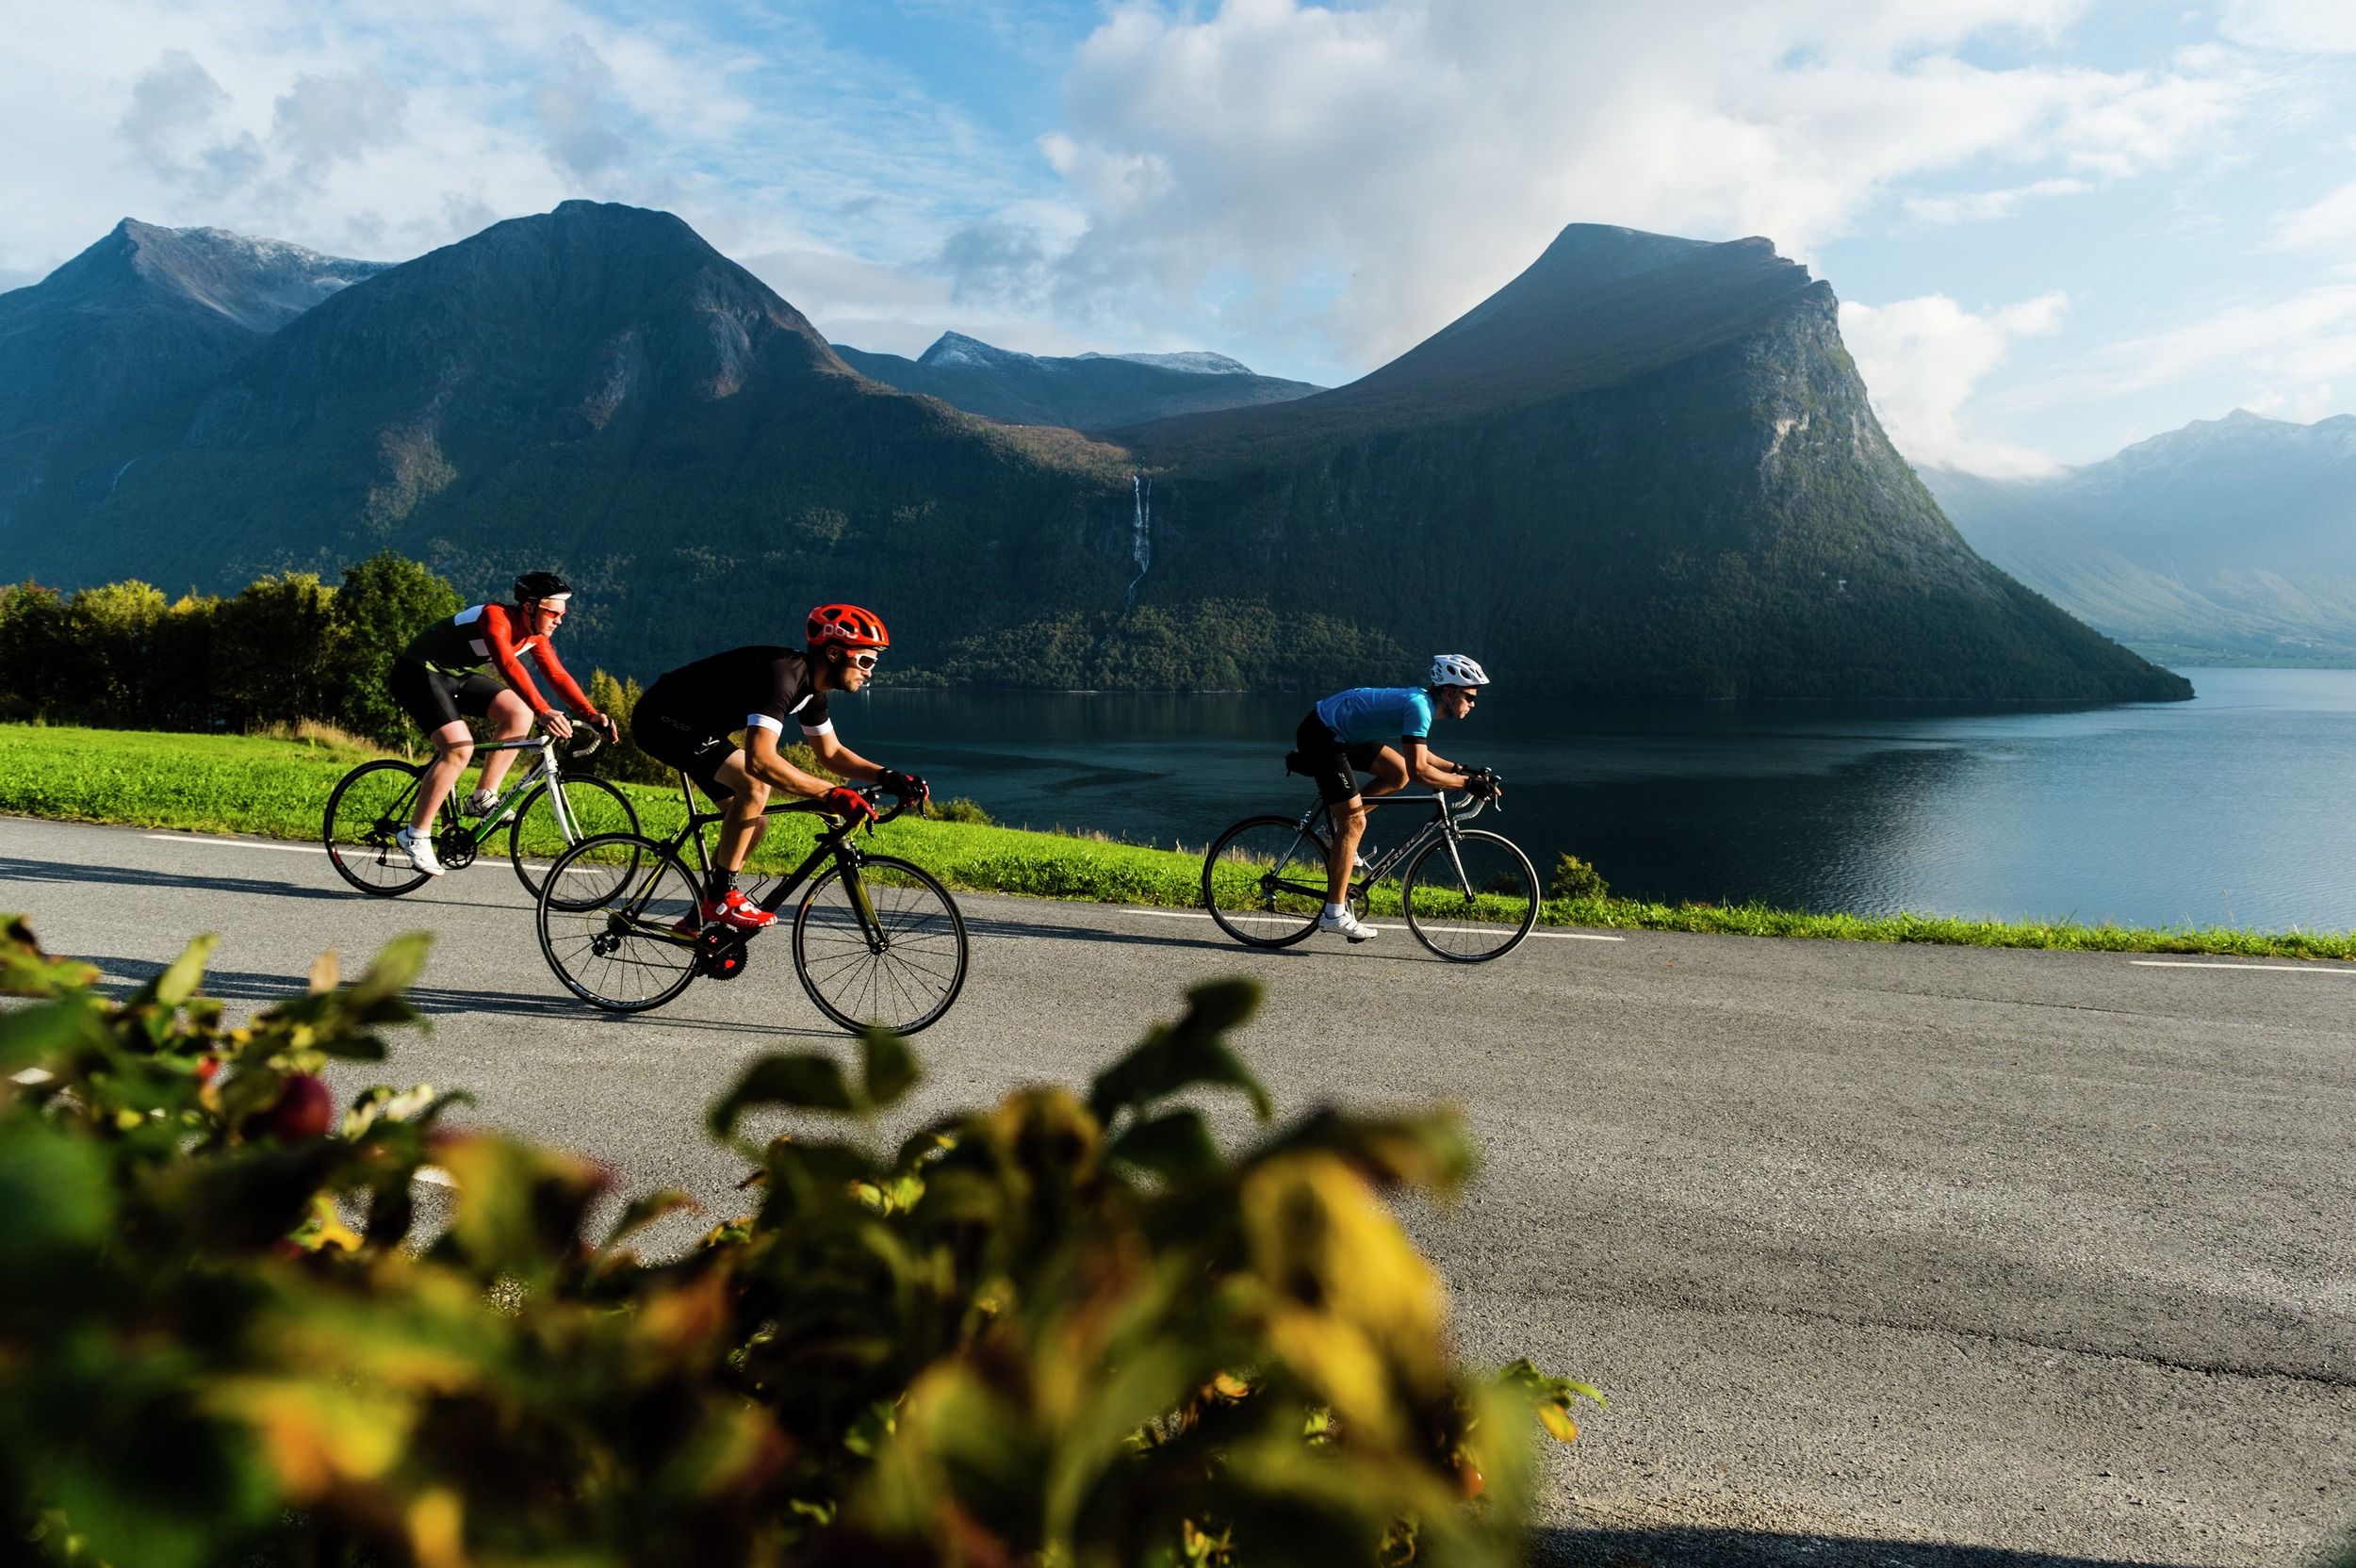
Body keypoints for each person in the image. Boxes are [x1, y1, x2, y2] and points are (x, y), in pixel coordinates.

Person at [630, 603, 930, 932]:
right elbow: (759, 760)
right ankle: (720, 897)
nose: (869, 671)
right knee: (755, 785)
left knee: (754, 823)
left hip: (700, 729)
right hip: (661, 720)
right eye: (865, 660)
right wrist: (831, 793)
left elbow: (830, 753)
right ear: (833, 653)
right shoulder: (783, 675)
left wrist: (888, 776)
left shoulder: (812, 691)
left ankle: (697, 921)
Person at [386, 571, 618, 876]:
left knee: (518, 713)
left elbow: (557, 675)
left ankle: (483, 797)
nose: (559, 620)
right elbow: (507, 665)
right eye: (553, 612)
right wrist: (544, 710)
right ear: (529, 607)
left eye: (562, 614)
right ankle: (415, 834)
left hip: (455, 675)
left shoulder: (535, 634)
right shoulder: (495, 617)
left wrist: (590, 713)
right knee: (459, 749)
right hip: (417, 672)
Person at [1292, 654, 1499, 942]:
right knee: (1355, 822)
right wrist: (1467, 784)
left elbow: (1418, 760)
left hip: (1344, 732)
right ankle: (1333, 914)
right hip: (1323, 735)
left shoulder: (1423, 705)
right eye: (1469, 696)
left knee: (1396, 773)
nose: (1473, 704)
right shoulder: (1419, 707)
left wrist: (1461, 770)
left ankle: (1333, 832)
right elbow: (1420, 771)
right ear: (1450, 692)